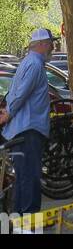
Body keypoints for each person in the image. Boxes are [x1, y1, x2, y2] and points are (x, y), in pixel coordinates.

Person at [0, 28, 53, 219]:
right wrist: (8, 113)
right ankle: (28, 219)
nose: (52, 47)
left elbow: (15, 92)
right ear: (42, 45)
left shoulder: (28, 62)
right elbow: (21, 94)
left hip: (22, 128)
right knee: (29, 175)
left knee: (24, 176)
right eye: (50, 43)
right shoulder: (34, 65)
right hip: (28, 128)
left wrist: (7, 112)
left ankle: (20, 218)